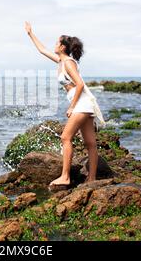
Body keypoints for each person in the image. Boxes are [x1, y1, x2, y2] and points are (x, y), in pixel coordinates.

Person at [24, 21, 105, 187]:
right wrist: (30, 33)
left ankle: (65, 176)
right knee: (90, 143)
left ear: (62, 47)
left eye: (56, 42)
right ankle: (92, 179)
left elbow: (80, 84)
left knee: (65, 137)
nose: (54, 45)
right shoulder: (61, 61)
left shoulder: (68, 63)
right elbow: (42, 50)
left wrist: (72, 106)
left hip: (81, 104)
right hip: (84, 105)